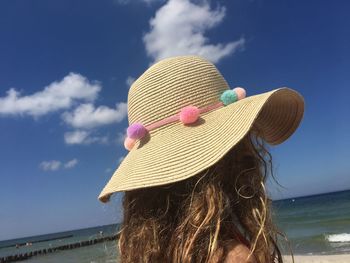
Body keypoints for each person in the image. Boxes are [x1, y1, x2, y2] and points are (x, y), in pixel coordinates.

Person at [98, 56, 304, 263]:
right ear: (231, 153)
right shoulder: (231, 257)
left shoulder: (150, 251)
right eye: (239, 136)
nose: (250, 150)